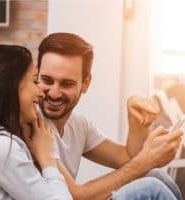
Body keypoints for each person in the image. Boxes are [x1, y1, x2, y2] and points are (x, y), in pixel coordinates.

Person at [35, 32, 182, 200]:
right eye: (47, 80)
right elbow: (74, 196)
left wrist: (137, 120)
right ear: (36, 74)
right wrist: (146, 161)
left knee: (155, 175)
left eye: (66, 84)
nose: (54, 93)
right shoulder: (32, 125)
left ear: (86, 83)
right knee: (151, 187)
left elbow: (128, 158)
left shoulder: (79, 125)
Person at [0, 45, 72, 200]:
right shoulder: (1, 147)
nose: (40, 93)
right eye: (34, 81)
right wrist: (47, 158)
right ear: (11, 85)